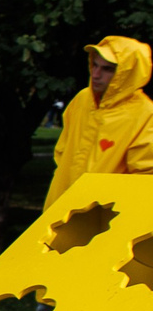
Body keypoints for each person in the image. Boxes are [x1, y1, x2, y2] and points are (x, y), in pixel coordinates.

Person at [46, 36, 153, 204]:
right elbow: (62, 152)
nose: (96, 74)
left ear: (129, 72)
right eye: (94, 65)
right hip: (60, 205)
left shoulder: (145, 114)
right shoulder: (82, 100)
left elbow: (145, 176)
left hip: (105, 217)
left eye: (108, 69)